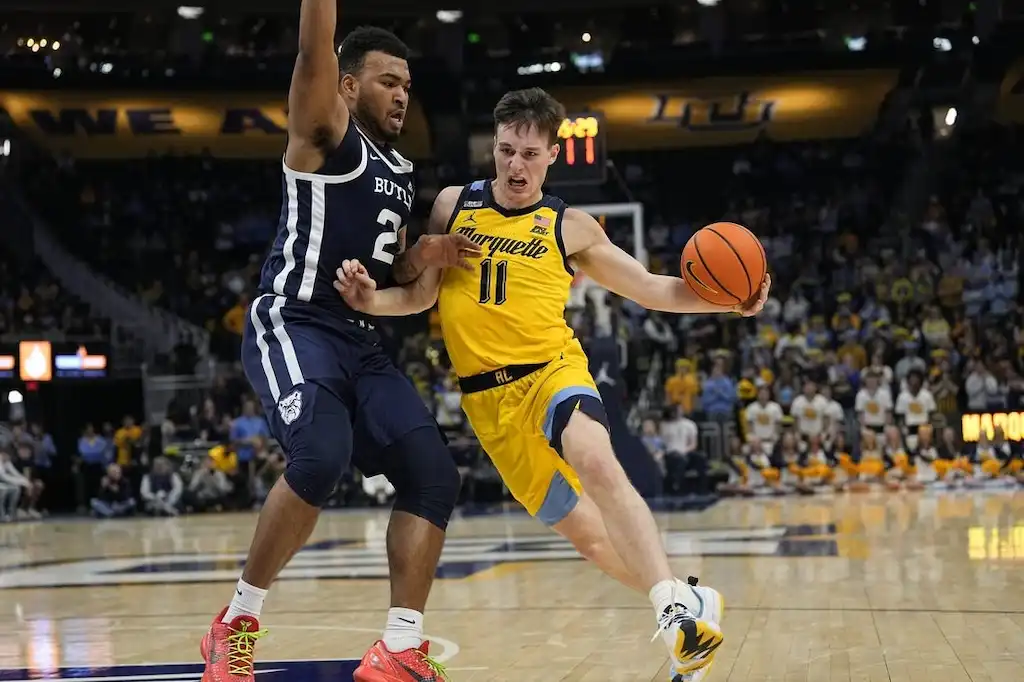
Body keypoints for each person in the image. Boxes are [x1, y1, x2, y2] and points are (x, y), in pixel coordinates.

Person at [335, 87, 770, 681]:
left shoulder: (572, 227)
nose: (517, 165)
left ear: (551, 157)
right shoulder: (451, 206)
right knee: (590, 541)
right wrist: (371, 299)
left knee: (596, 460)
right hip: (488, 403)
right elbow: (419, 295)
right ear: (495, 147)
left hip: (551, 371)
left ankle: (674, 614)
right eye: (508, 150)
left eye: (530, 154)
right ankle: (692, 598)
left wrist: (731, 303)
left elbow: (652, 288)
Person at [199, 4, 481, 681]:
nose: (401, 94)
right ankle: (236, 621)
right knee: (322, 456)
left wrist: (432, 252)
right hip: (293, 321)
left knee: (433, 474)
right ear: (348, 86)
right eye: (388, 81)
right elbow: (312, 46)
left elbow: (403, 278)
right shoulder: (324, 131)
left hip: (360, 339)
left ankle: (400, 648)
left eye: (407, 85)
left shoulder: (401, 167)